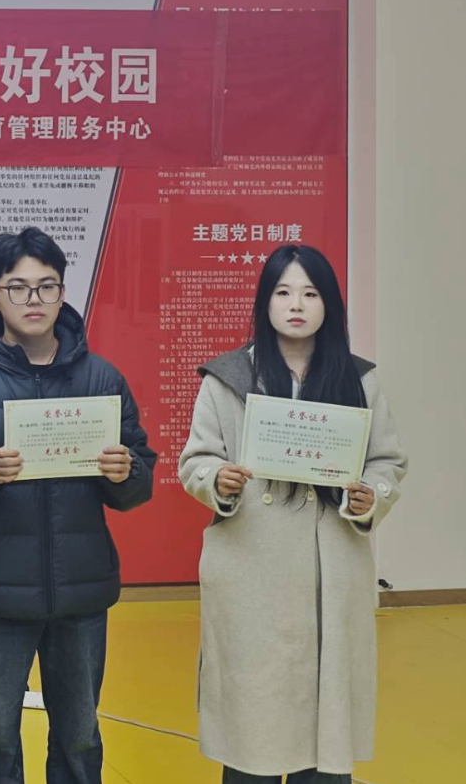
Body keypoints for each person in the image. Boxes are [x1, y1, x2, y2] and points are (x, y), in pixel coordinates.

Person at [0, 226, 155, 784]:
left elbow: (138, 479)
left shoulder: (101, 378)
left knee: (80, 736)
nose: (34, 300)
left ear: (62, 292)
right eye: (18, 287)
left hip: (80, 589)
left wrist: (125, 472)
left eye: (47, 287)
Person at [179, 243, 407, 784]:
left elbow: (386, 461)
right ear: (266, 302)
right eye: (283, 292)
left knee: (323, 735)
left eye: (310, 293)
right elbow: (196, 460)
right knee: (253, 732)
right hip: (251, 571)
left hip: (332, 569)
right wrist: (218, 479)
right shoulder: (227, 378)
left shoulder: (359, 379)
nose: (297, 304)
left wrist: (369, 497)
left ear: (329, 304)